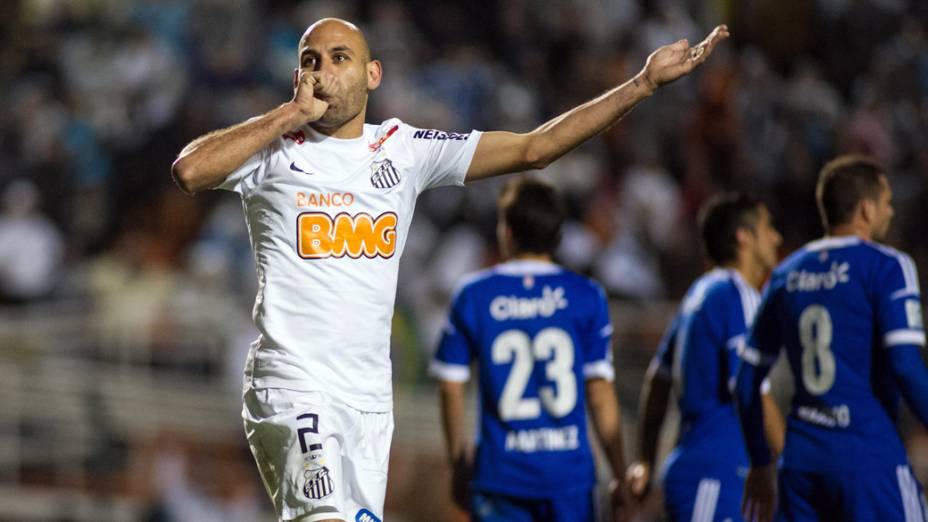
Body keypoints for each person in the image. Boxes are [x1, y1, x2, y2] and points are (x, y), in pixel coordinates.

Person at [171, 17, 729, 522]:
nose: (322, 72)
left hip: (368, 399)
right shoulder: (272, 151)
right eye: (310, 60)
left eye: (339, 57)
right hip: (292, 383)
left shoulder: (401, 149)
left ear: (373, 74)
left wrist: (644, 84)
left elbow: (536, 148)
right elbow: (190, 170)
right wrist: (289, 114)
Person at [736, 155, 928, 522]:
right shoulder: (888, 266)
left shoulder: (785, 274)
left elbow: (746, 382)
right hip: (869, 457)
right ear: (866, 210)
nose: (890, 213)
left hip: (801, 468)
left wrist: (761, 463)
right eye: (887, 204)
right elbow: (905, 366)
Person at [430, 178, 628, 522]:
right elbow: (599, 390)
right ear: (559, 234)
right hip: (569, 476)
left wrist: (457, 463)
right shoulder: (586, 294)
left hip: (500, 475)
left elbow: (450, 385)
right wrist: (621, 473)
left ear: (506, 232)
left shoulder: (475, 293)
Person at [625, 193, 785, 521]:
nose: (776, 237)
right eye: (767, 227)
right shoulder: (737, 293)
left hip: (702, 471)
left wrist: (646, 460)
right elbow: (750, 386)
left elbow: (658, 382)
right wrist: (788, 462)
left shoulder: (697, 295)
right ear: (744, 237)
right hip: (719, 474)